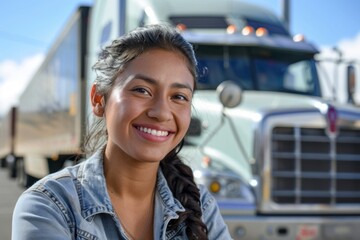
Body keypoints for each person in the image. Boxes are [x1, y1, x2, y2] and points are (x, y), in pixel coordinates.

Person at [12, 24, 232, 240]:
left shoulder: (201, 206)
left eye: (179, 97)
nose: (162, 113)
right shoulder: (48, 205)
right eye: (141, 90)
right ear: (99, 99)